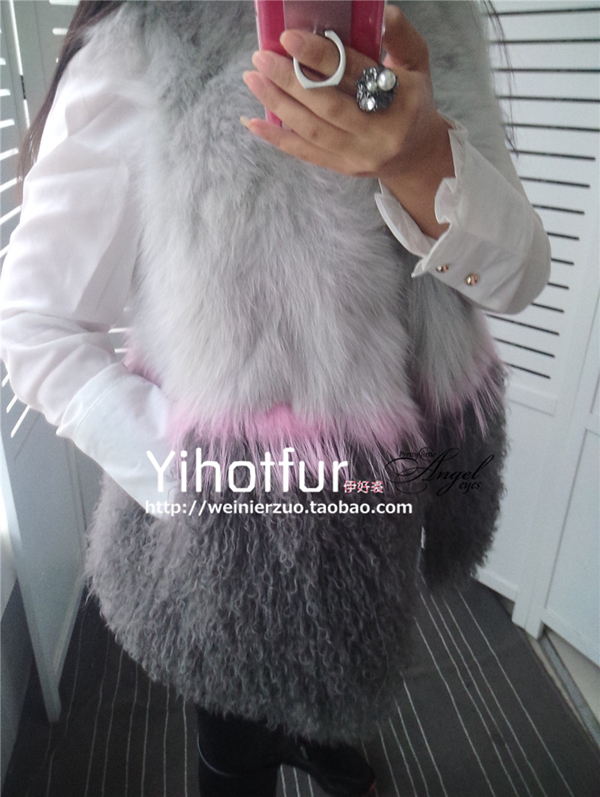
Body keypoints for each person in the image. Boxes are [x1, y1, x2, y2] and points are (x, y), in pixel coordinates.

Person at [0, 2, 550, 796]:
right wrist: (229, 496)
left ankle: (327, 744)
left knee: (352, 671)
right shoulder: (152, 40)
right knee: (234, 738)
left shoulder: (439, 22)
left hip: (391, 507)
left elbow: (517, 276)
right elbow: (35, 327)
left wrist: (421, 157)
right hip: (232, 548)